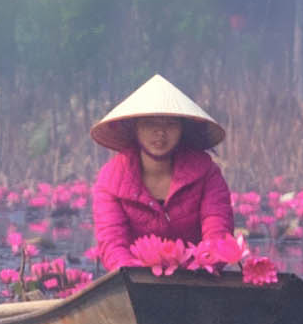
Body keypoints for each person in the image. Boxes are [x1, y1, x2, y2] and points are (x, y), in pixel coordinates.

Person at [86, 72, 243, 266]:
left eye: (170, 124)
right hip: (134, 280)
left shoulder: (208, 173)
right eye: (149, 123)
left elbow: (217, 232)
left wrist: (203, 265)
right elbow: (112, 244)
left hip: (198, 277)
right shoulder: (110, 180)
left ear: (182, 130)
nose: (160, 132)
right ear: (134, 128)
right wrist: (138, 278)